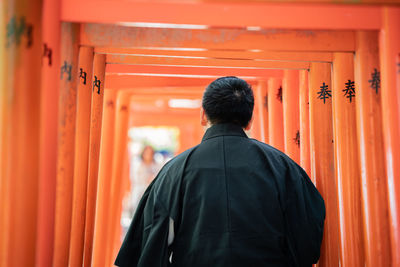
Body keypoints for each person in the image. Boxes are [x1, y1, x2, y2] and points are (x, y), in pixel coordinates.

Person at [115, 76, 325, 267]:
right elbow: (307, 239)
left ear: (203, 115)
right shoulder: (281, 165)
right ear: (249, 119)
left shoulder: (174, 170)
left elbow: (148, 244)